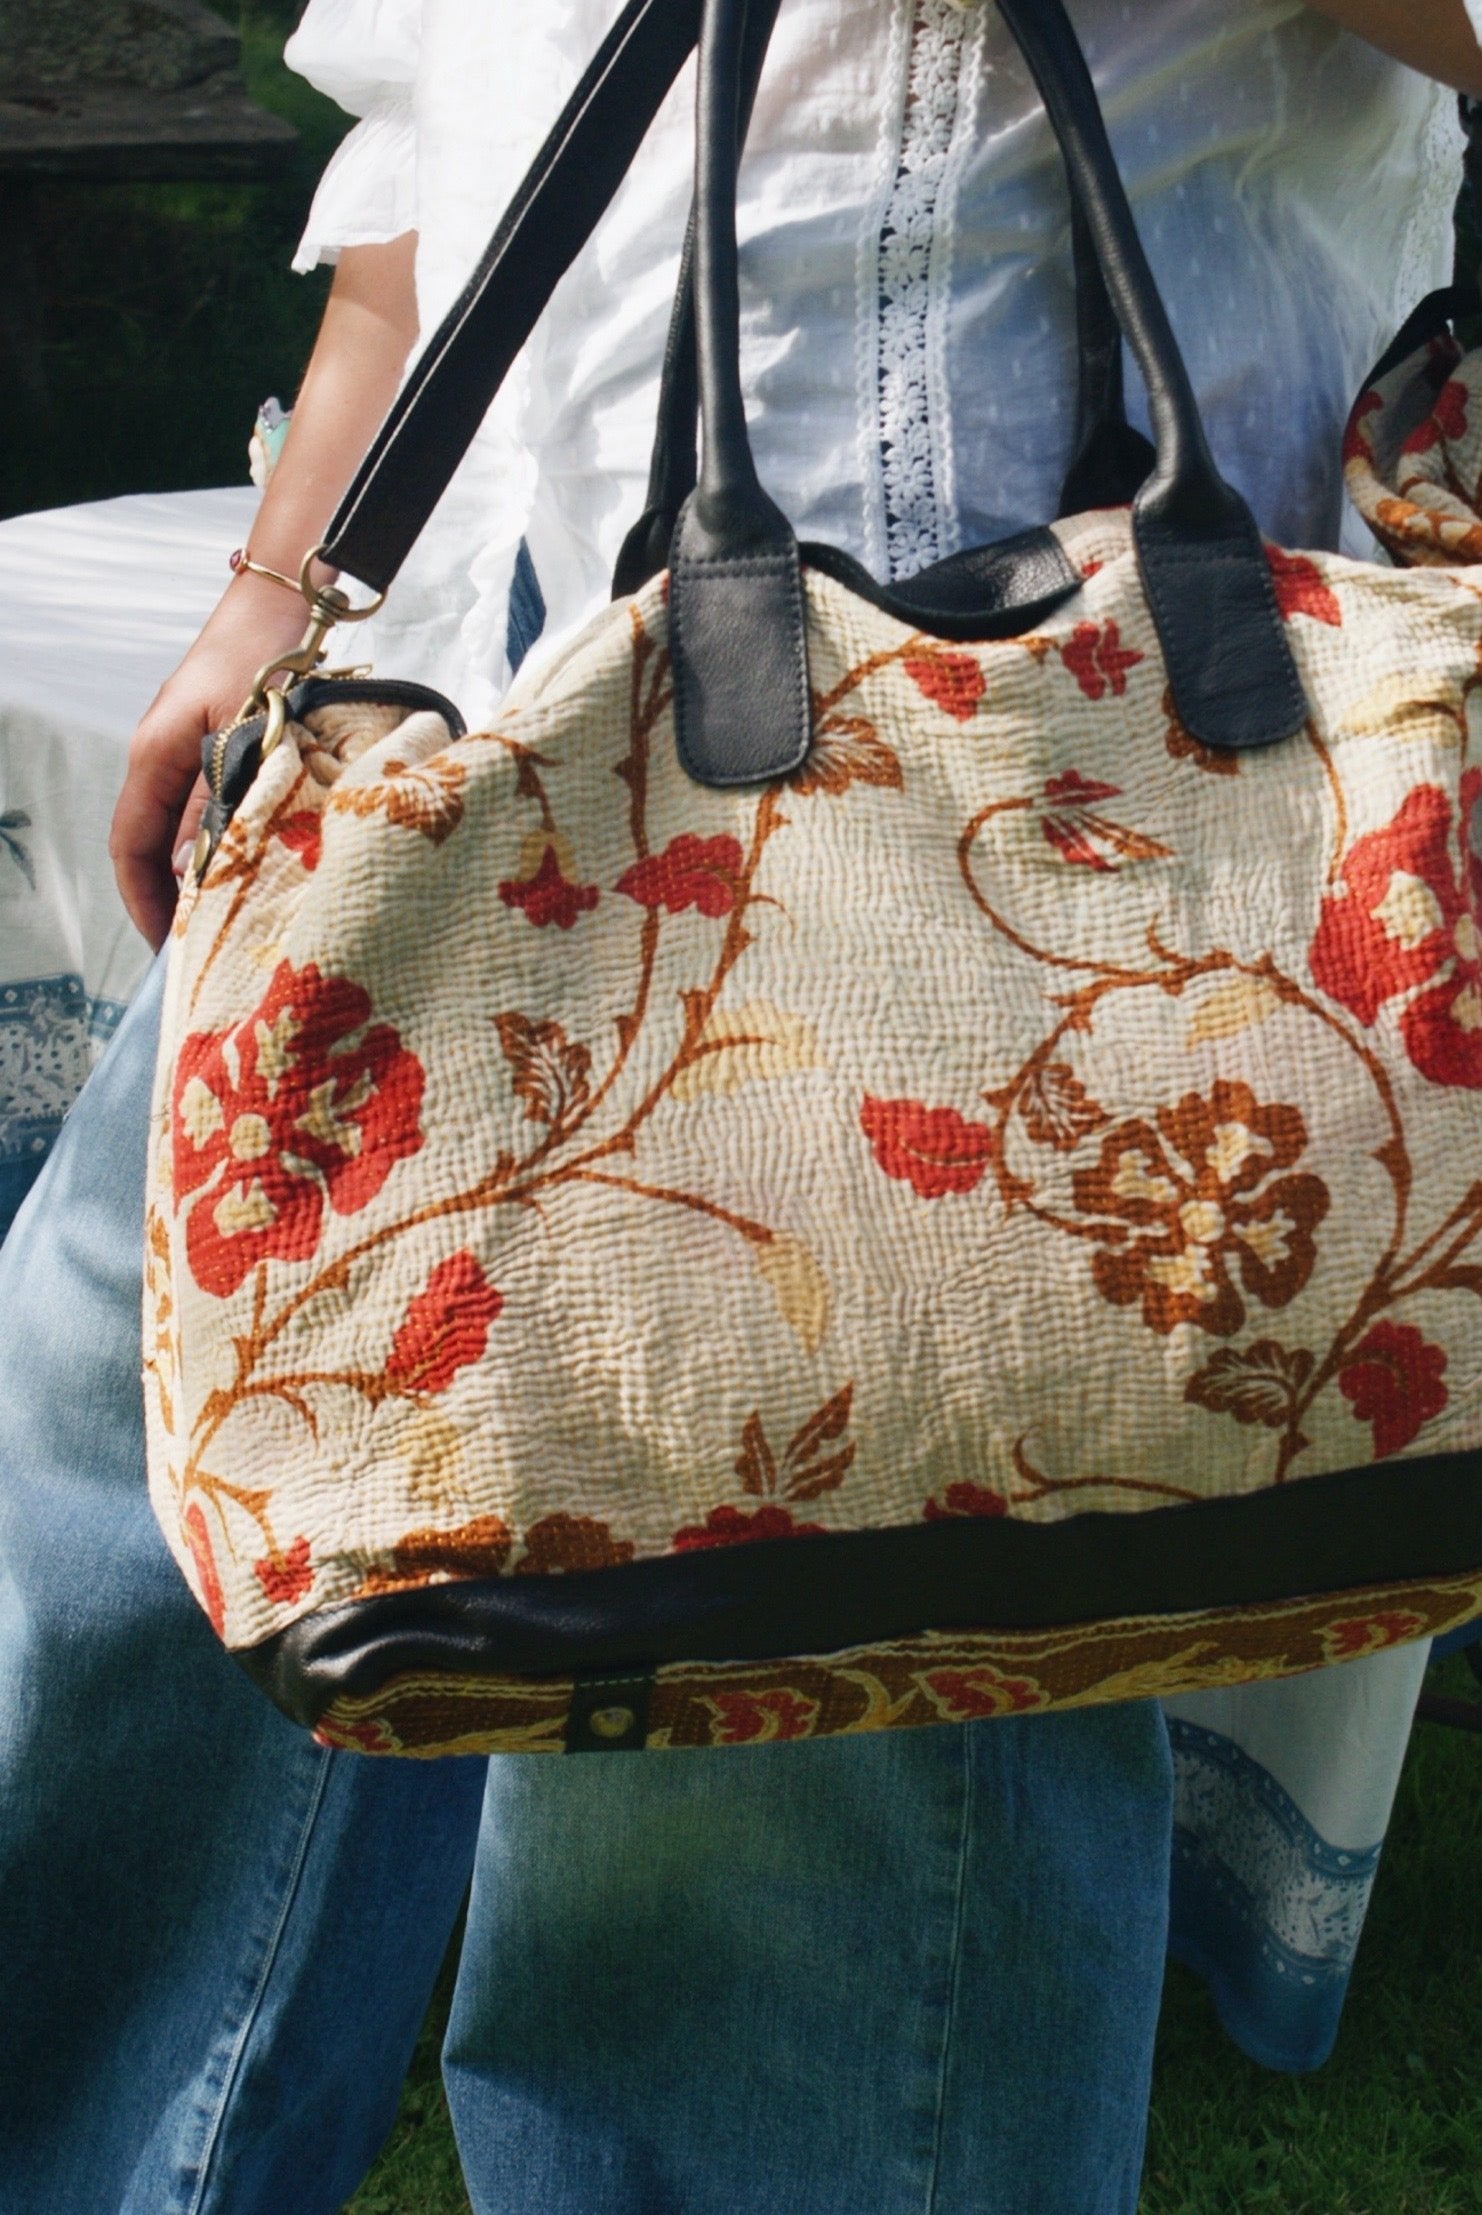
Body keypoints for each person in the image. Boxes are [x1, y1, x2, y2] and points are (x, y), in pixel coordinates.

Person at [2, 4, 1480, 2211]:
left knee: (771, 1771)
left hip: (1043, 754)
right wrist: (280, 585)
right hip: (470, 671)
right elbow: (441, 137)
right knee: (115, 1527)